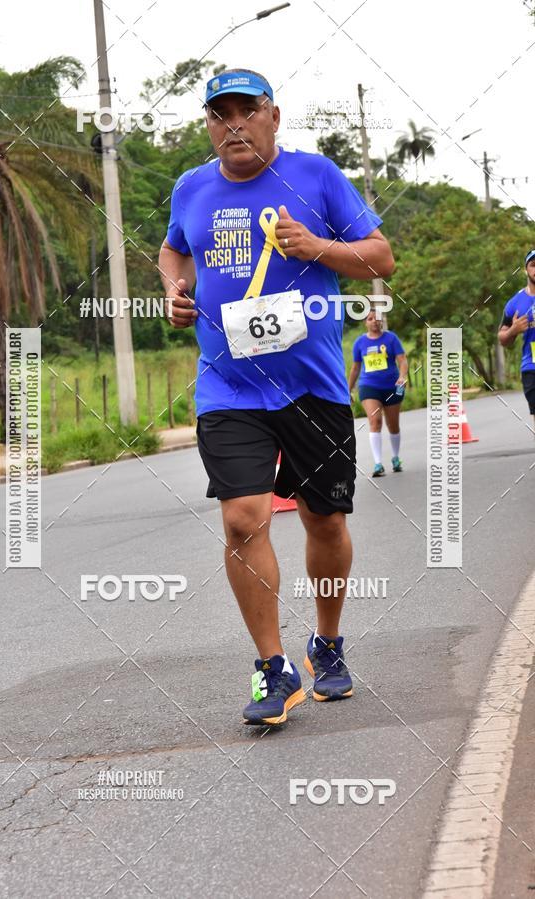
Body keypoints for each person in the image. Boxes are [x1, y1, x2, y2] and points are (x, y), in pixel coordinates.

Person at [158, 68, 394, 726]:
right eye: (220, 114)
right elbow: (173, 251)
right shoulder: (191, 187)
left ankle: (327, 641)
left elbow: (381, 257)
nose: (233, 125)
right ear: (209, 125)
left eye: (246, 111)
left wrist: (318, 246)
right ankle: (273, 666)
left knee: (326, 521)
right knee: (242, 519)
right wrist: (175, 289)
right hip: (228, 385)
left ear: (273, 116)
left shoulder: (316, 176)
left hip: (312, 385)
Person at [348, 311, 408, 477]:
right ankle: (378, 463)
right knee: (375, 420)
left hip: (392, 386)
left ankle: (395, 458)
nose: (374, 321)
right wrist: (348, 389)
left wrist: (402, 376)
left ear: (382, 322)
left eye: (377, 319)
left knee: (393, 425)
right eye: (370, 319)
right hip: (369, 386)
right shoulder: (360, 342)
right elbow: (355, 368)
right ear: (365, 323)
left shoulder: (391, 339)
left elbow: (402, 360)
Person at [498, 249, 535, 436]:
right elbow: (502, 337)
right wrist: (513, 330)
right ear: (526, 270)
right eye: (533, 265)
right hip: (532, 366)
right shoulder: (515, 303)